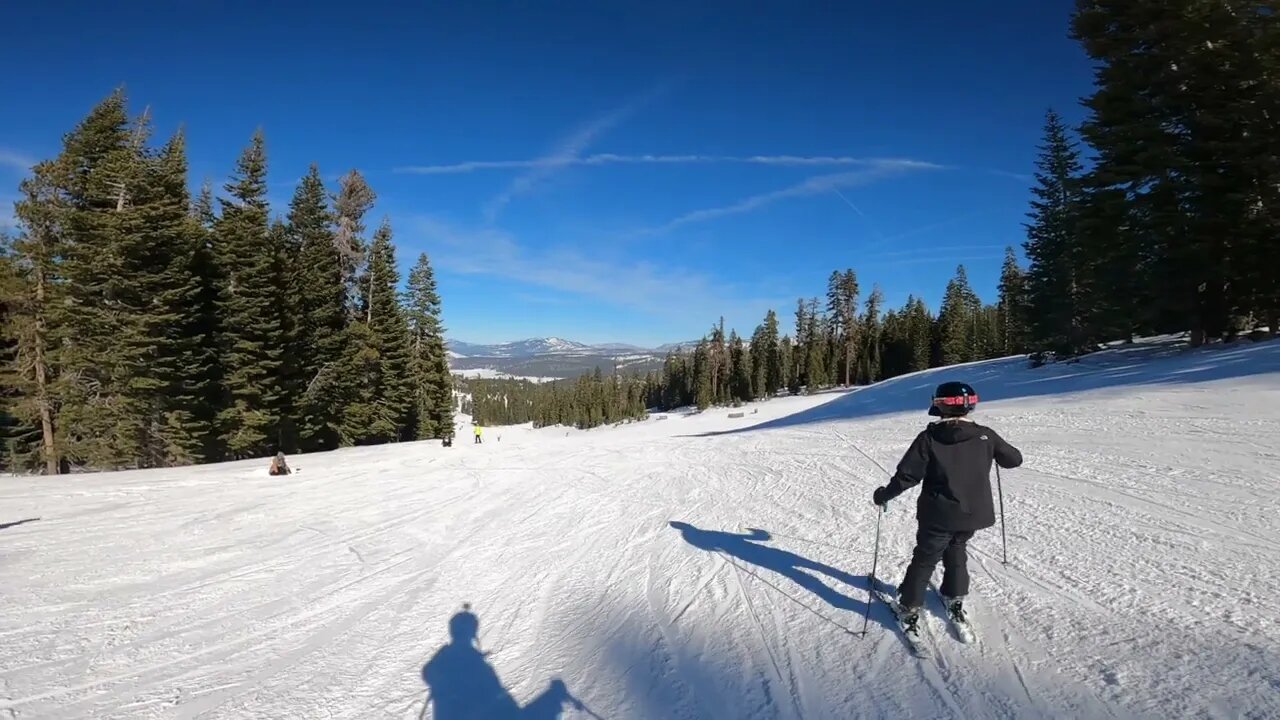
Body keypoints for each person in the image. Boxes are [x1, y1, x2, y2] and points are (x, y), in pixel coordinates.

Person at [871, 381, 1022, 637]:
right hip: (973, 514)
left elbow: (907, 476)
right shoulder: (986, 434)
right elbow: (1014, 459)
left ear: (939, 405)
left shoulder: (929, 438)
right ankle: (954, 597)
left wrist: (883, 495)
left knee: (926, 558)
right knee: (957, 548)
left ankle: (908, 607)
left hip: (938, 515)